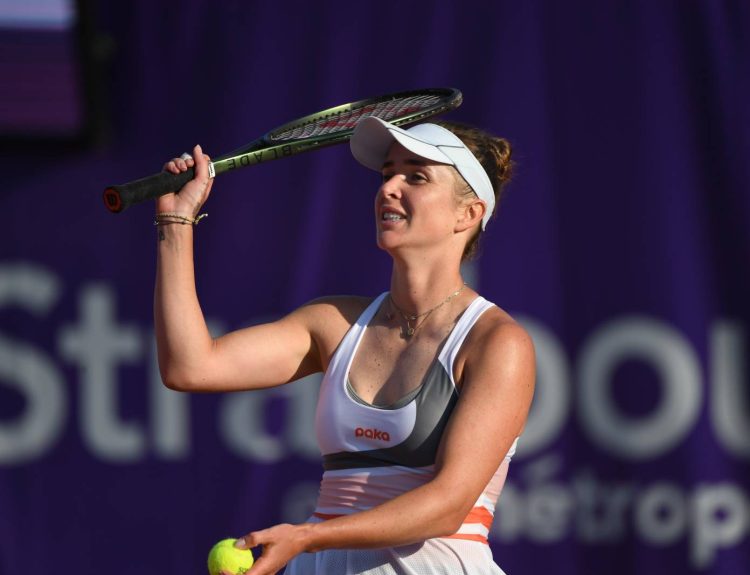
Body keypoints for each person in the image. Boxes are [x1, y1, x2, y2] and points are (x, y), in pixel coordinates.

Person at [155, 116, 536, 575]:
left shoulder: (497, 343)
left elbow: (448, 505)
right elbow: (190, 367)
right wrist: (176, 221)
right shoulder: (333, 323)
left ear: (468, 214)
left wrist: (308, 536)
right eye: (387, 174)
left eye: (416, 177)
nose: (389, 188)